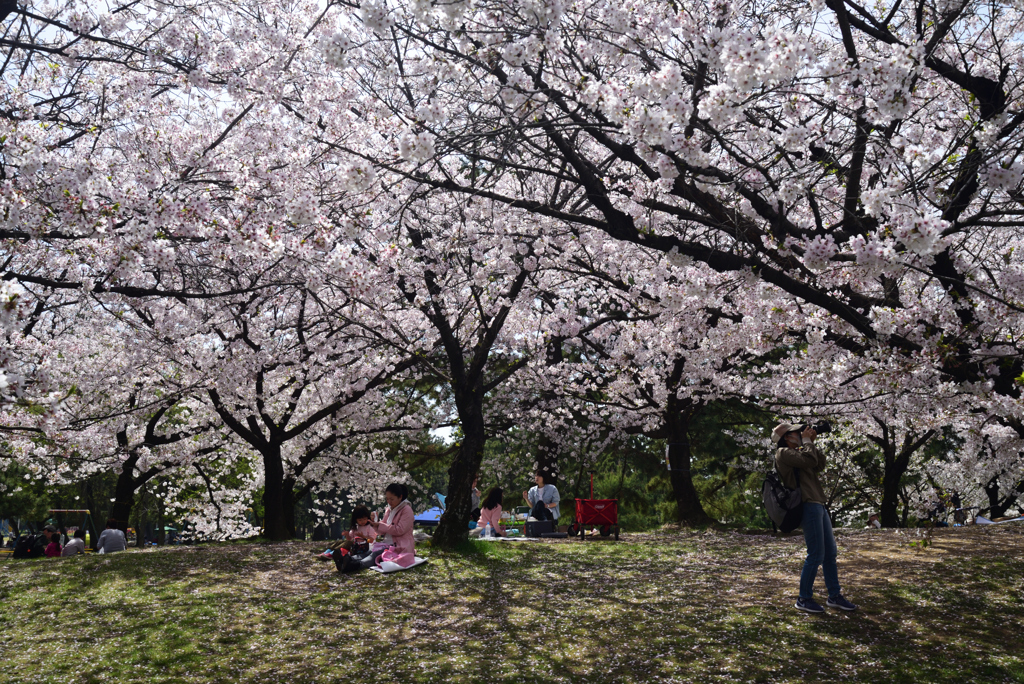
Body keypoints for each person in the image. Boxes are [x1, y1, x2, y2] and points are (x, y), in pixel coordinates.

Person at [773, 422, 857, 613]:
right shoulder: (783, 453)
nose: (801, 433)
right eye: (796, 432)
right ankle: (803, 598)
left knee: (830, 553)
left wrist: (810, 442)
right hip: (807, 504)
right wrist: (807, 441)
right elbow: (810, 461)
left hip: (818, 503)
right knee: (816, 553)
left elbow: (819, 464)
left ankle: (834, 595)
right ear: (787, 437)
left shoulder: (801, 451)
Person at [336, 484, 414, 573]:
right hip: (387, 544)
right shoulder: (389, 509)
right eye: (387, 499)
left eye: (392, 499)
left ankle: (355, 564)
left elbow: (399, 530)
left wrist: (380, 525)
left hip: (400, 546)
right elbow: (382, 531)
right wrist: (375, 525)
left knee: (375, 554)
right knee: (369, 552)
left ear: (400, 497)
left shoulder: (406, 510)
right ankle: (346, 560)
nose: (389, 501)